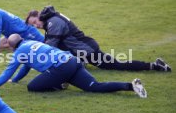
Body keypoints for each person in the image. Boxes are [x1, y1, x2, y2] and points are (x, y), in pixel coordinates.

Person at [0, 34, 147, 98]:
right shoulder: (33, 42)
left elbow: (7, 72)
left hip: (61, 68)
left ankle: (61, 84)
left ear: (12, 47)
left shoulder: (19, 53)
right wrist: (16, 80)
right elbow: (25, 67)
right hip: (73, 61)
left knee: (32, 87)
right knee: (94, 86)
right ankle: (130, 86)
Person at [25, 6, 171, 72]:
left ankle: (155, 65)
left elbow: (51, 47)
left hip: (86, 50)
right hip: (81, 50)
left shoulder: (53, 23)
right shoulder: (51, 19)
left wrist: (34, 56)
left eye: (35, 22)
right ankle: (80, 64)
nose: (36, 26)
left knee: (116, 65)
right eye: (33, 25)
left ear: (39, 16)